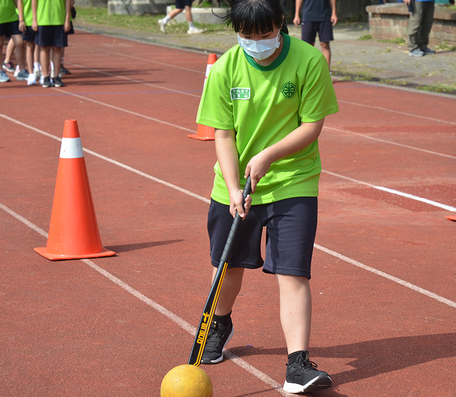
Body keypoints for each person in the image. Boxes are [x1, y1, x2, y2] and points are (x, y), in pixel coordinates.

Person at [195, 0, 338, 393]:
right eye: (247, 37)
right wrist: (232, 184)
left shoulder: (309, 61)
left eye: (265, 35)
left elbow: (312, 126)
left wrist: (267, 156)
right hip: (235, 185)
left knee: (294, 272)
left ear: (280, 24)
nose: (258, 43)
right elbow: (222, 135)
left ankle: (298, 364)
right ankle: (219, 323)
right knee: (229, 267)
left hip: (294, 179)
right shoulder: (226, 68)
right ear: (236, 32)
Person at [31, 0, 71, 87]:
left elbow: (68, 1)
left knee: (57, 48)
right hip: (43, 19)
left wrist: (67, 19)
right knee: (45, 48)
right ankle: (45, 76)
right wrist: (34, 19)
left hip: (59, 19)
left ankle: (56, 76)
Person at [293, 0, 337, 72]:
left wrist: (334, 13)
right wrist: (296, 14)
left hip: (325, 17)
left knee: (325, 44)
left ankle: (326, 72)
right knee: (307, 46)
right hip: (308, 17)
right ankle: (307, 72)